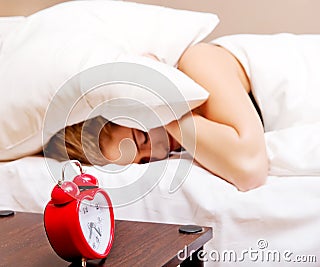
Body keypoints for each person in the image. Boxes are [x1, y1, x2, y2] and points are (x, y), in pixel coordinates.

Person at [45, 43, 269, 192]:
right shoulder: (187, 135)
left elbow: (250, 171)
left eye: (142, 136)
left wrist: (158, 103)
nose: (160, 152)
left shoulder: (198, 60)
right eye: (145, 161)